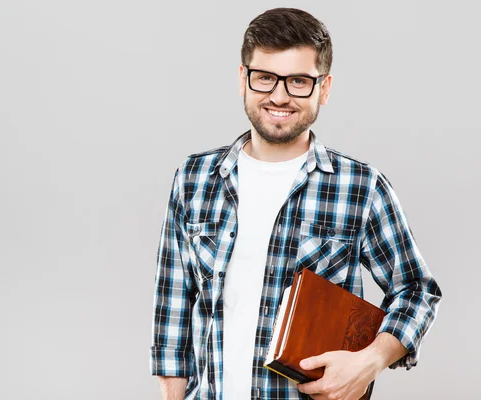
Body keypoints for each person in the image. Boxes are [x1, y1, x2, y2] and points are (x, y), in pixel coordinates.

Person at [150, 7, 442, 400]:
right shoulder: (194, 178)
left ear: (324, 87)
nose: (279, 96)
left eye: (299, 81)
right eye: (265, 78)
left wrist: (368, 362)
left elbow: (416, 291)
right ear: (243, 79)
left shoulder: (361, 187)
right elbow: (172, 308)